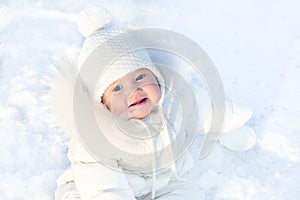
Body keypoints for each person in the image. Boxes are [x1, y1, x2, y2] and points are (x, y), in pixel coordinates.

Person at [49, 7, 256, 200]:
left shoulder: (177, 99)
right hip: (98, 188)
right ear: (103, 102)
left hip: (165, 180)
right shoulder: (95, 137)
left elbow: (207, 111)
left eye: (140, 77)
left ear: (156, 76)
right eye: (117, 89)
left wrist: (227, 126)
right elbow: (103, 188)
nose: (134, 91)